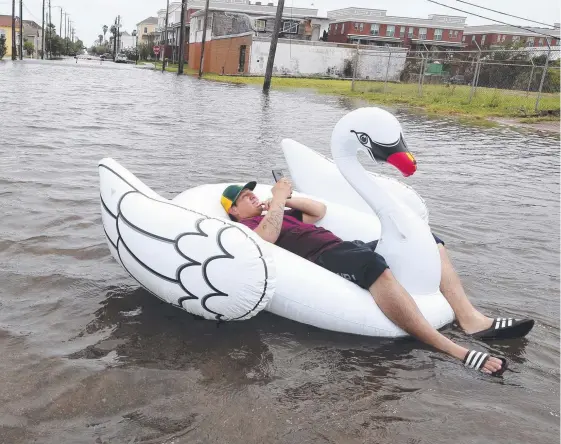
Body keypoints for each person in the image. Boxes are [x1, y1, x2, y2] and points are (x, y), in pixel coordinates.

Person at [220, 179, 534, 376]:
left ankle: (470, 319)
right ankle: (453, 349)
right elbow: (267, 237)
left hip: (344, 246)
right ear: (233, 211)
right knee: (372, 264)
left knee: (427, 239)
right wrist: (275, 201)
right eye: (245, 197)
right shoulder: (247, 228)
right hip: (324, 258)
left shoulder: (279, 211)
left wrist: (284, 198)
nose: (252, 198)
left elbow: (318, 209)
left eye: (252, 193)